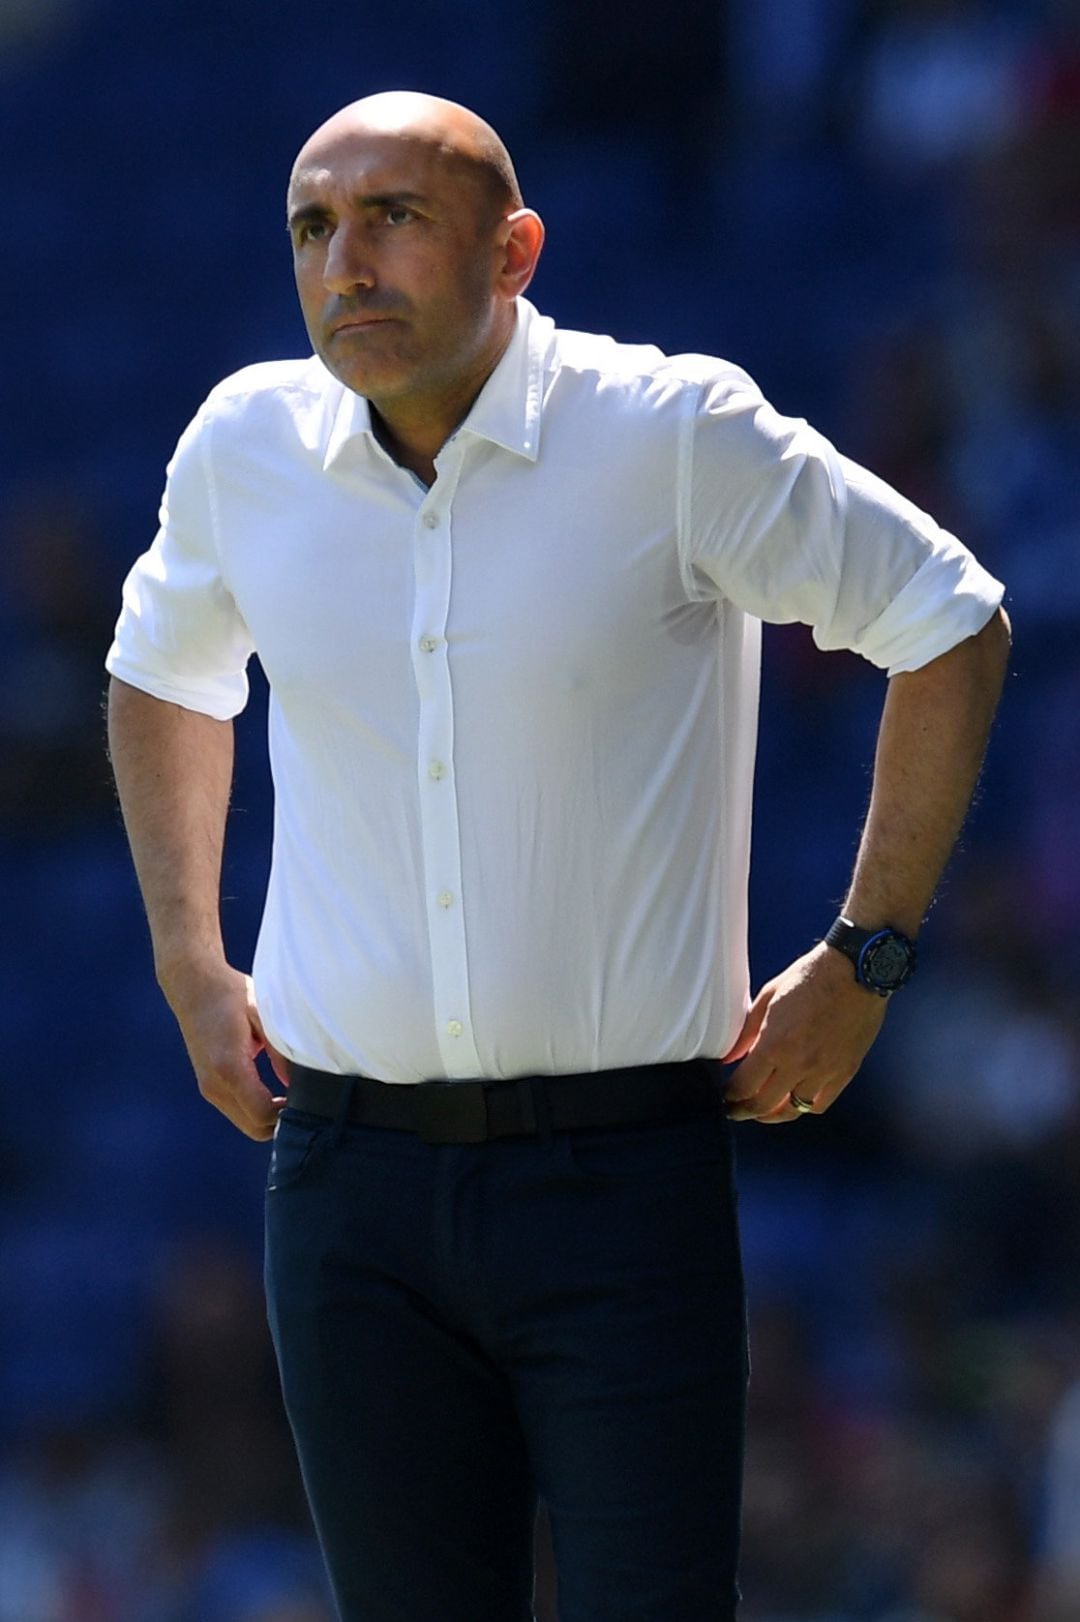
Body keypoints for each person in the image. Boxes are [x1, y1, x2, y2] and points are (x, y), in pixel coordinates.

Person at [106, 90, 1011, 1622]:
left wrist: (869, 956)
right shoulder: (244, 446)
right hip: (347, 1192)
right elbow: (161, 672)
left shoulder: (672, 433)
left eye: (394, 217)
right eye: (316, 229)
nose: (346, 265)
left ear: (515, 249)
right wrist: (191, 962)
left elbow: (951, 620)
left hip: (624, 1178)